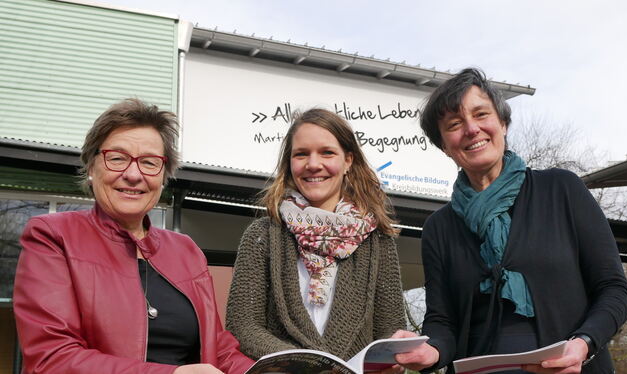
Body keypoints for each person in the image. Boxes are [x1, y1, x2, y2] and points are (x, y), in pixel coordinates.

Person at [392, 68, 627, 374]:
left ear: (503, 123)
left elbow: (614, 290)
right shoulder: (439, 228)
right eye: (454, 124)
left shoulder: (562, 190)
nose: (471, 129)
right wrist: (431, 351)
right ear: (443, 144)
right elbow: (442, 321)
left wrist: (584, 343)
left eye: (481, 114)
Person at [13, 99, 254, 374]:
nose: (133, 174)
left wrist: (264, 371)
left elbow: (217, 347)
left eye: (150, 163)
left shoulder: (186, 250)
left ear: (163, 177)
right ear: (92, 167)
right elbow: (51, 359)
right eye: (117, 158)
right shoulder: (52, 236)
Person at [226, 108, 406, 364]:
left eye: (327, 152)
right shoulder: (263, 235)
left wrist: (391, 359)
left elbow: (390, 329)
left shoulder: (378, 242)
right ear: (290, 163)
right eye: (301, 154)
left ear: (348, 161)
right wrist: (312, 366)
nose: (313, 164)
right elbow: (243, 326)